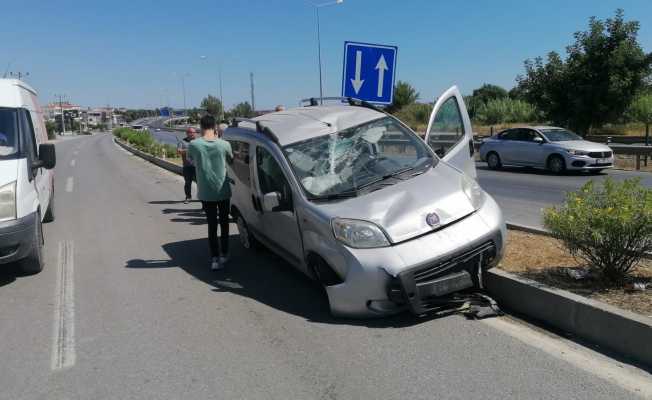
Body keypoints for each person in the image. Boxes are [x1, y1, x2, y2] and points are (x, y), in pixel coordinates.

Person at [187, 115, 233, 271]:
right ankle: (225, 254)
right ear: (215, 127)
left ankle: (214, 258)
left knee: (212, 225)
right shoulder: (225, 144)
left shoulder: (194, 144)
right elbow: (231, 161)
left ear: (200, 127)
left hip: (206, 192)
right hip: (223, 190)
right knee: (225, 223)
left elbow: (191, 161)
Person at [177, 127, 197, 204]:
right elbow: (179, 151)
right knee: (188, 183)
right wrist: (189, 150)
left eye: (194, 132)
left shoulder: (198, 141)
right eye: (190, 132)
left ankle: (202, 199)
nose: (192, 134)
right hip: (187, 166)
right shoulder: (182, 142)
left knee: (201, 184)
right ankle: (188, 197)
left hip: (198, 167)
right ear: (187, 133)